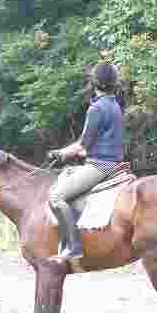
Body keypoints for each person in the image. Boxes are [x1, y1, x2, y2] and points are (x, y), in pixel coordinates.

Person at [46, 62, 125, 259]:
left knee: (56, 197)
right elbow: (95, 143)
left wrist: (60, 154)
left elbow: (82, 144)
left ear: (94, 83)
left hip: (100, 165)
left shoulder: (96, 108)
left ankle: (74, 246)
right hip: (113, 162)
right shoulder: (115, 105)